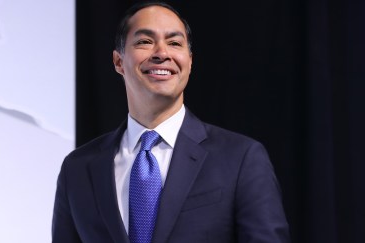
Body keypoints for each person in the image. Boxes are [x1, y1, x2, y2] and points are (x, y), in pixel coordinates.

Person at [52, 1, 291, 242]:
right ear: (118, 62)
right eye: (145, 42)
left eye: (174, 43)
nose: (162, 53)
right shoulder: (78, 168)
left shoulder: (240, 158)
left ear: (189, 61)